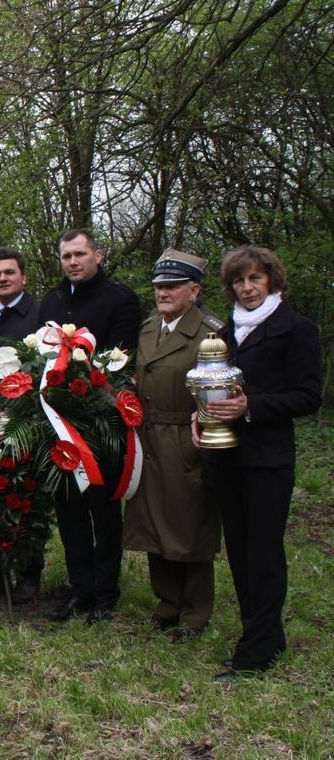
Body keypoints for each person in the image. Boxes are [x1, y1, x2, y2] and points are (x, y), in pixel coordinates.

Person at [197, 245, 321, 683]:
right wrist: (201, 414)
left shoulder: (296, 328)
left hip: (267, 460)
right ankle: (265, 636)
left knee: (264, 554)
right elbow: (210, 386)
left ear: (272, 280)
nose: (246, 289)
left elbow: (309, 396)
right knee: (240, 552)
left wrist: (252, 407)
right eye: (238, 281)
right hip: (226, 457)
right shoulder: (224, 332)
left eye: (255, 279)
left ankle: (255, 653)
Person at [40, 229, 142, 622]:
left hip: (101, 424)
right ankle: (79, 588)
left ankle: (106, 592)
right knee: (69, 511)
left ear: (97, 255)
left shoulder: (120, 299)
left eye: (80, 254)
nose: (72, 262)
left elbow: (122, 360)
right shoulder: (52, 300)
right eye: (66, 256)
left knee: (103, 511)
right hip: (59, 425)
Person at [123, 251, 224, 640]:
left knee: (189, 526)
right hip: (148, 437)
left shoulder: (210, 332)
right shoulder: (149, 328)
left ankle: (195, 613)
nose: (163, 293)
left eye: (172, 286)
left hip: (187, 437)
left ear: (194, 291)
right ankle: (166, 602)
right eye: (159, 287)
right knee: (152, 522)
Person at [0, 248, 44, 603]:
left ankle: (29, 576)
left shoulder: (41, 316)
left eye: (9, 272)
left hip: (27, 422)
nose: (2, 278)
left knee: (26, 502)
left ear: (23, 277)